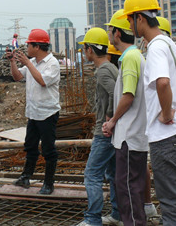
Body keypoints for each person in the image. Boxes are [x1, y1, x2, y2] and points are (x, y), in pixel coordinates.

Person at [121, 0, 176, 225]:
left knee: (171, 198)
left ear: (139, 18)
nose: (130, 26)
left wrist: (166, 112)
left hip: (167, 134)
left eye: (130, 20)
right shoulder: (168, 43)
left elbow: (163, 82)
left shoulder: (155, 48)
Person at [102, 9, 148, 226]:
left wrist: (112, 121)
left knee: (127, 189)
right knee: (133, 187)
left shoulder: (130, 57)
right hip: (135, 135)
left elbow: (128, 95)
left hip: (129, 136)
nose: (109, 34)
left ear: (117, 33)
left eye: (110, 30)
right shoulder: (136, 55)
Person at [76, 27, 120, 226]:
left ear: (90, 50)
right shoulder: (111, 66)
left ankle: (93, 220)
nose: (84, 53)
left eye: (85, 49)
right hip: (113, 131)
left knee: (92, 174)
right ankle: (118, 215)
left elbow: (115, 95)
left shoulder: (103, 71)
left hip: (104, 132)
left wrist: (109, 119)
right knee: (112, 173)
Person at [9, 29, 60, 195]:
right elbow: (17, 77)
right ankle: (26, 176)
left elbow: (42, 81)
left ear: (37, 46)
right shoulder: (33, 63)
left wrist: (28, 63)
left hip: (47, 113)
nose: (27, 48)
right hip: (33, 113)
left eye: (29, 45)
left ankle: (48, 182)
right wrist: (13, 62)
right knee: (30, 146)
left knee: (48, 149)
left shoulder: (52, 63)